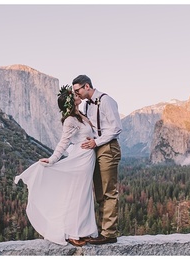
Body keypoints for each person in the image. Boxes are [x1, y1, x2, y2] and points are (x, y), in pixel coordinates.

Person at [14, 85, 98, 247]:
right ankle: (71, 233)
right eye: (73, 95)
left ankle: (81, 230)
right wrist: (52, 160)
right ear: (70, 103)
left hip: (86, 158)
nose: (76, 94)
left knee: (84, 194)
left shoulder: (80, 115)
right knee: (77, 195)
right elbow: (63, 143)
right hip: (80, 161)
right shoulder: (70, 120)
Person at [72, 75, 122, 245]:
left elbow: (116, 128)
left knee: (109, 191)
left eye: (77, 90)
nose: (76, 94)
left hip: (108, 148)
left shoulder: (106, 101)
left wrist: (96, 142)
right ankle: (102, 230)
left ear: (87, 86)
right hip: (95, 149)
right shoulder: (87, 105)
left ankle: (109, 233)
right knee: (99, 192)